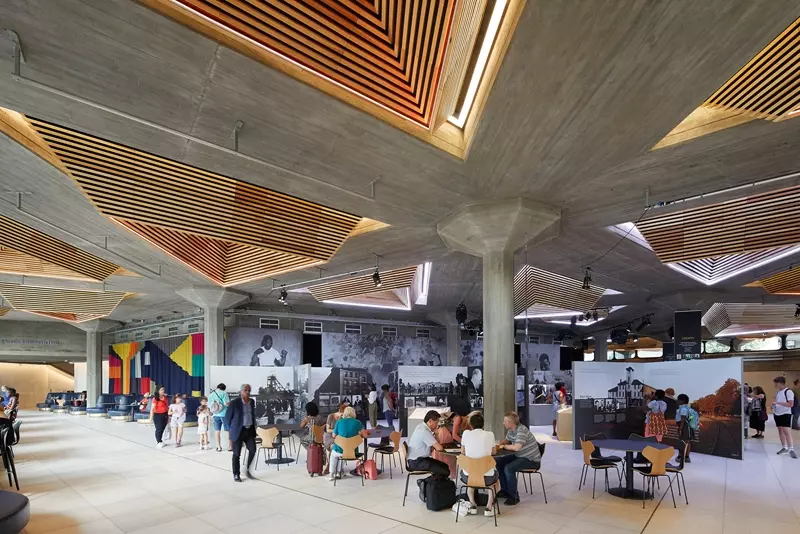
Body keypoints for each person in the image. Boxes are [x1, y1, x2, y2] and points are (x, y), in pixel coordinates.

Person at [495, 411, 542, 506]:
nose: (503, 423)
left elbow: (516, 447)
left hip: (531, 460)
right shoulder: (512, 430)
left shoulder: (522, 431)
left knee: (508, 468)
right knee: (498, 462)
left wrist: (504, 447)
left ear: (511, 423)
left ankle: (514, 497)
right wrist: (498, 443)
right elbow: (507, 440)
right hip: (520, 455)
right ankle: (504, 490)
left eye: (505, 421)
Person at [460, 412, 499, 517]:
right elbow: (494, 452)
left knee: (471, 479)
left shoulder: (466, 433)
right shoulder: (490, 434)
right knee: (495, 482)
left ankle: (472, 505)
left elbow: (462, 452)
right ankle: (489, 507)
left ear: (471, 425)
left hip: (468, 476)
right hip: (487, 478)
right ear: (483, 424)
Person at [225, 384, 258, 481]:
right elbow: (227, 419)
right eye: (245, 390)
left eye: (249, 390)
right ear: (241, 392)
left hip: (249, 430)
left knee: (252, 450)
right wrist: (231, 431)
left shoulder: (251, 402)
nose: (247, 392)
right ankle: (236, 474)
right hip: (238, 431)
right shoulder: (234, 403)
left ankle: (247, 470)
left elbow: (252, 415)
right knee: (236, 454)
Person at [328, 406, 368, 481]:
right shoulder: (357, 422)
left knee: (334, 454)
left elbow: (333, 435)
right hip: (352, 452)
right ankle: (339, 472)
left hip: (339, 450)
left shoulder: (339, 421)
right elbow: (365, 435)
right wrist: (358, 434)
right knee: (346, 450)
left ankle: (331, 474)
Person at [406, 410, 448, 477]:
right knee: (444, 471)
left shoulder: (420, 426)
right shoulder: (424, 431)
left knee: (444, 466)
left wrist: (436, 434)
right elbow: (439, 448)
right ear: (430, 421)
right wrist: (437, 434)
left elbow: (433, 448)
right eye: (436, 423)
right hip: (417, 462)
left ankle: (431, 484)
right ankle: (427, 484)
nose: (437, 425)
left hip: (417, 459)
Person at [772, 377, 796, 458]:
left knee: (786, 431)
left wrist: (778, 402)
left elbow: (790, 404)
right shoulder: (778, 392)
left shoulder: (788, 392)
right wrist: (774, 406)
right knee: (780, 431)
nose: (775, 384)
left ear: (780, 383)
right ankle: (784, 447)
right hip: (777, 413)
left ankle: (791, 449)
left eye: (776, 383)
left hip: (785, 413)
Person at [324, 402, 348, 475]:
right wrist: (337, 430)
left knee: (343, 447)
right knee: (334, 446)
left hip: (339, 437)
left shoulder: (344, 419)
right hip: (329, 437)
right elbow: (328, 430)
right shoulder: (330, 416)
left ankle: (337, 468)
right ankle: (331, 467)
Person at [209, 383, 231, 452]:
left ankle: (219, 447)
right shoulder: (224, 393)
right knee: (228, 430)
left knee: (217, 431)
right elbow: (226, 404)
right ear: (223, 388)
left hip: (215, 415)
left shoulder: (211, 395)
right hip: (224, 414)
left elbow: (210, 406)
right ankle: (230, 446)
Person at [675, 394, 694, 463]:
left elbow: (683, 419)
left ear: (682, 401)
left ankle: (683, 457)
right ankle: (684, 456)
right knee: (685, 441)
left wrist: (680, 429)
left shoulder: (683, 409)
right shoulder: (685, 408)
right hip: (684, 426)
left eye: (678, 399)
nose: (677, 401)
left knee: (685, 441)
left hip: (684, 426)